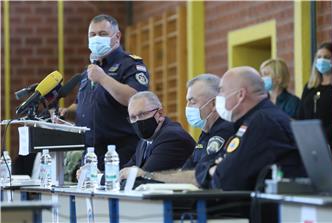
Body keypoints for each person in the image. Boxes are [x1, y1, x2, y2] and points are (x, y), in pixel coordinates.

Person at [61, 14, 150, 171]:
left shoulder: (130, 65)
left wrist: (102, 78)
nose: (96, 38)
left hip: (120, 152)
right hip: (91, 153)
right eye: (92, 35)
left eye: (102, 34)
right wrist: (65, 113)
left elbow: (135, 98)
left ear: (117, 37)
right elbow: (82, 107)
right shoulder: (89, 71)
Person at [195, 66, 306, 190]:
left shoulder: (263, 123)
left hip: (263, 207)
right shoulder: (252, 121)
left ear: (240, 95)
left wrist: (213, 170)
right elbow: (210, 165)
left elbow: (227, 180)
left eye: (221, 90)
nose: (218, 97)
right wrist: (213, 169)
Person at [119, 74, 235, 185]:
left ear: (214, 103)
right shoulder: (206, 133)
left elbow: (200, 177)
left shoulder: (224, 132)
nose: (188, 107)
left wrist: (147, 175)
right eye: (133, 117)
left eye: (192, 101)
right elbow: (185, 172)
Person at [120, 91, 195, 173]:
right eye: (133, 117)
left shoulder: (171, 137)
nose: (138, 121)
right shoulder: (144, 142)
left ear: (160, 113)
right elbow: (124, 172)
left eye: (142, 114)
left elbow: (145, 177)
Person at [297, 42, 332, 151]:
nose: (322, 60)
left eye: (326, 57)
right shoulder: (309, 87)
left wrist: (321, 134)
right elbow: (301, 115)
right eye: (319, 57)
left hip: (330, 143)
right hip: (309, 143)